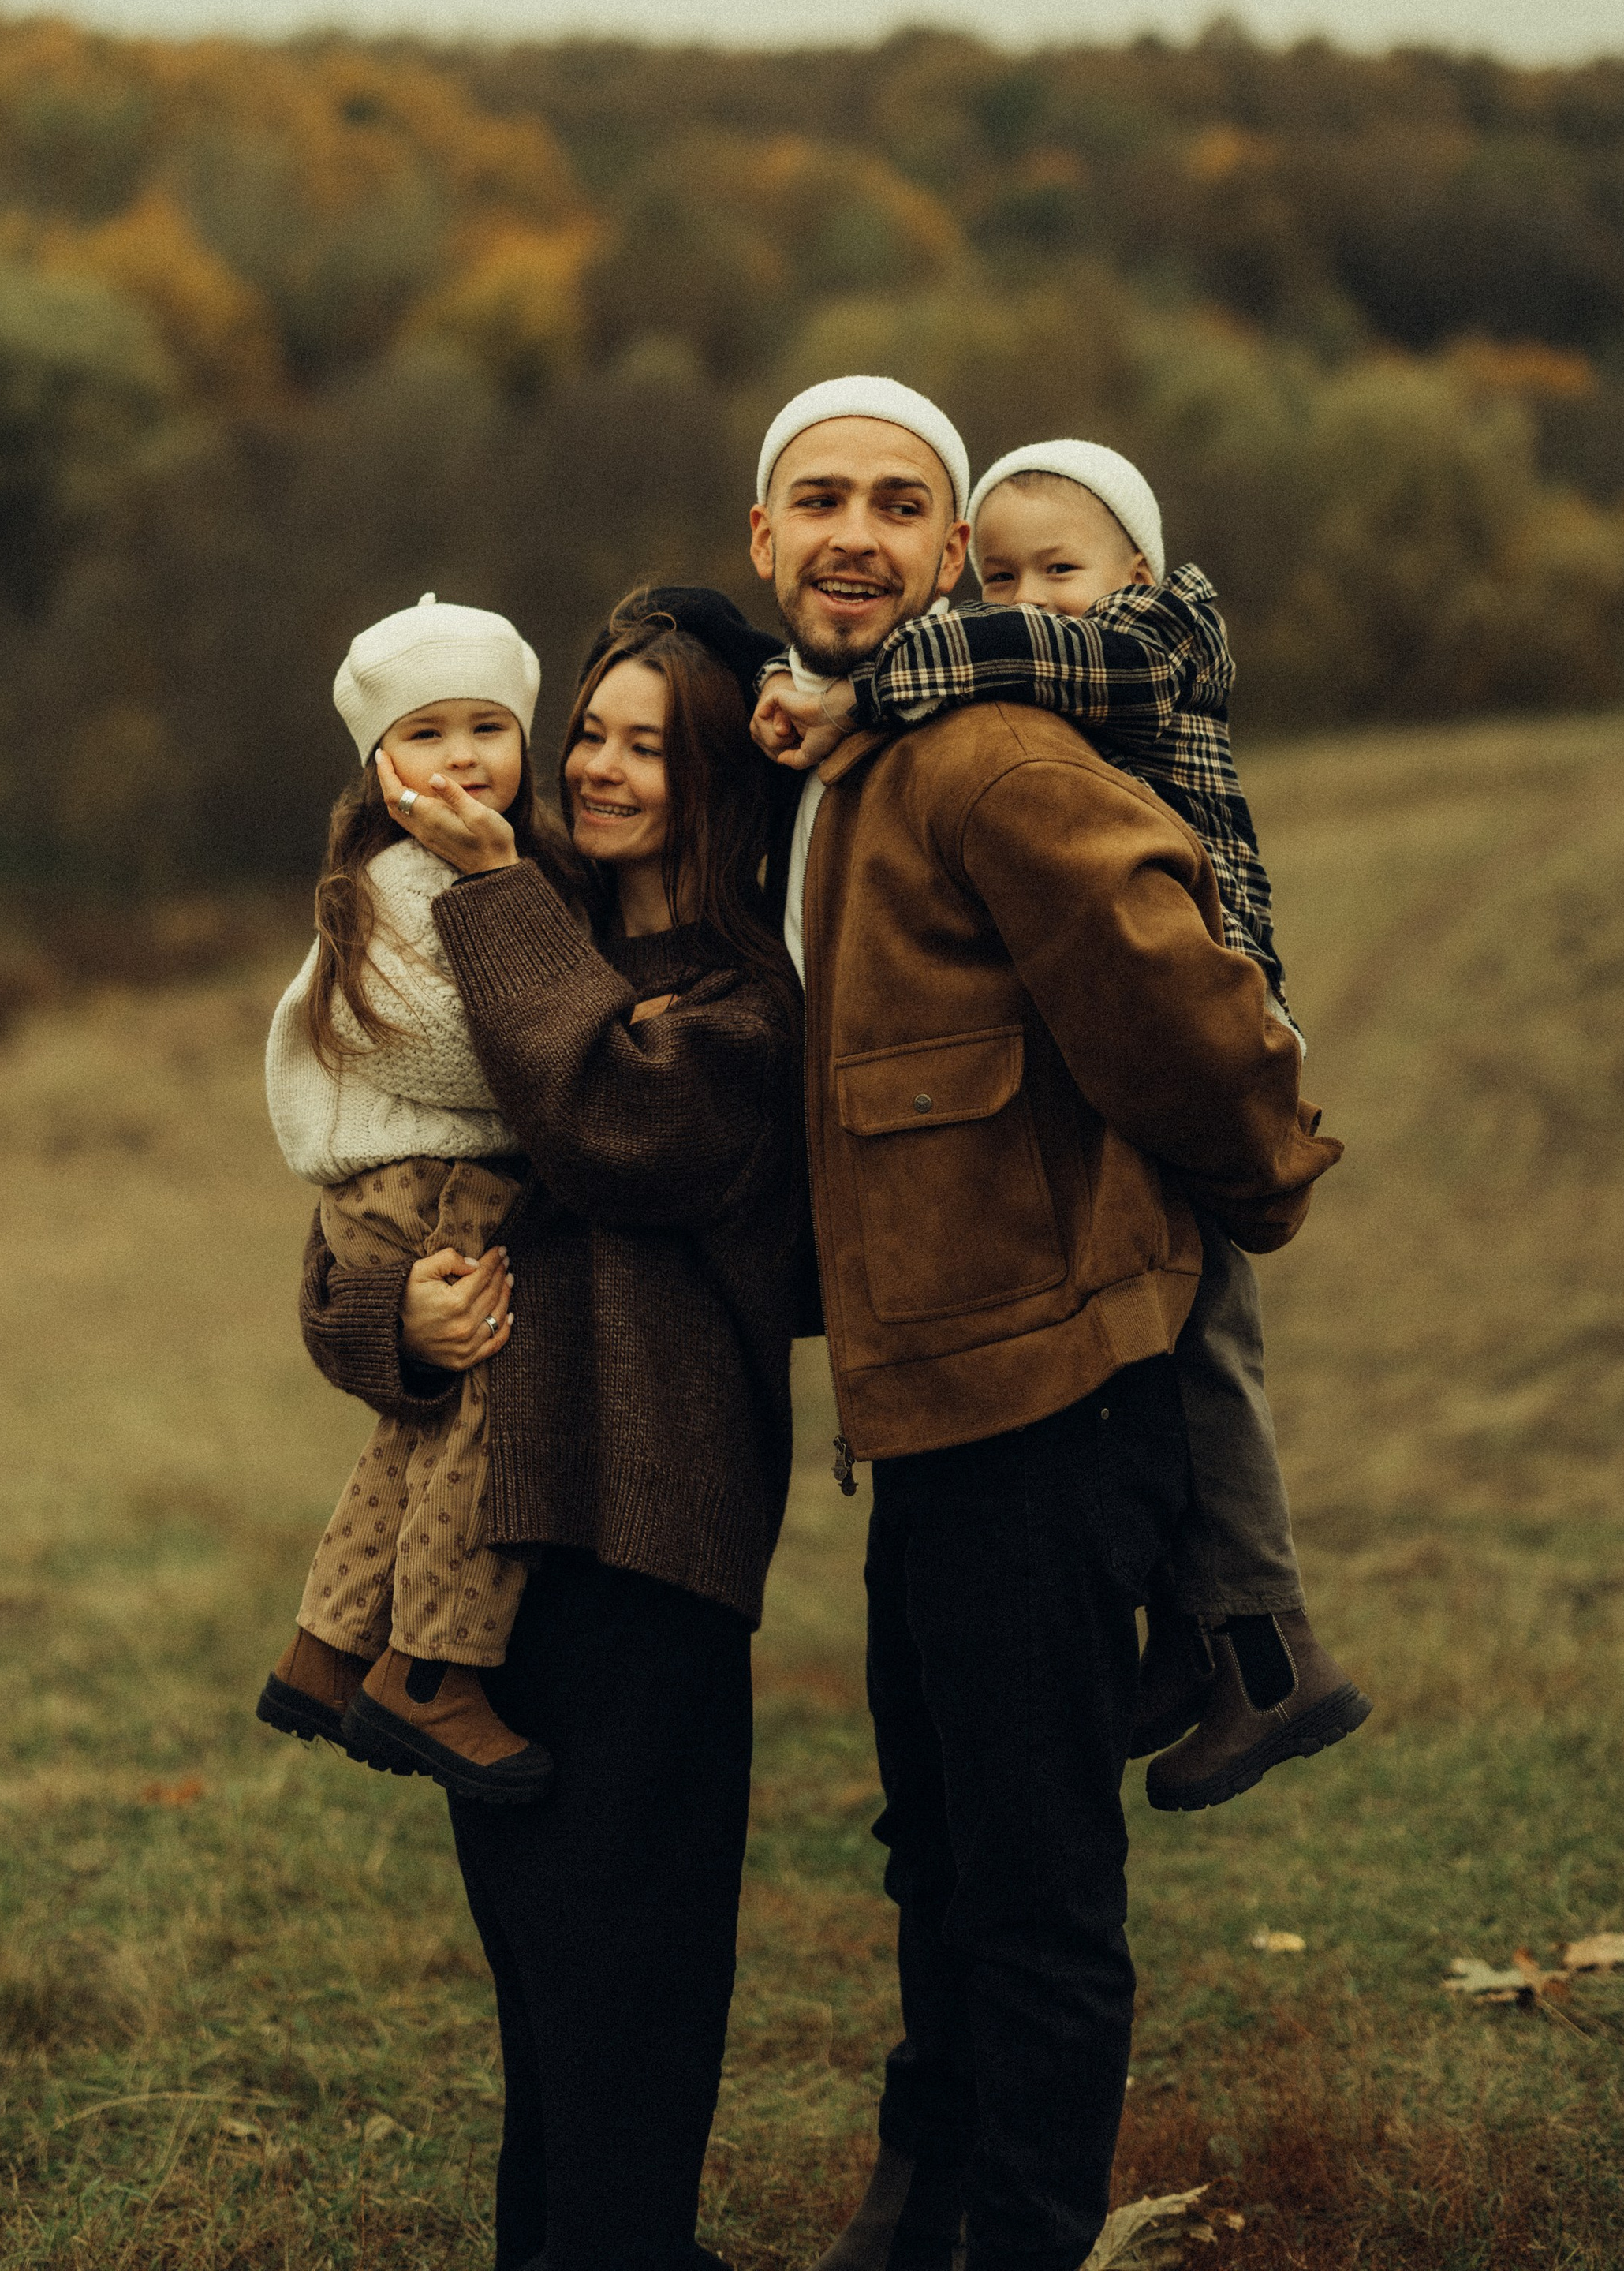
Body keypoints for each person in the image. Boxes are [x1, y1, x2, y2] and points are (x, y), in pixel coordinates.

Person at [745, 377, 1343, 2271]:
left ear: (946, 557)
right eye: (817, 498)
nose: (853, 532)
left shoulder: (990, 758)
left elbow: (1189, 1010)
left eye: (894, 504)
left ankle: (1013, 2237)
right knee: (937, 1846)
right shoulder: (835, 765)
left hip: (1048, 1408)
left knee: (1032, 1884)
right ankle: (916, 2197)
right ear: (763, 539)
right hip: (926, 1406)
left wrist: (1251, 1189)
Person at [291, 585, 804, 2271]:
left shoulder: (741, 1002)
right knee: (540, 1965)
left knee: (636, 1971)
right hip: (493, 1547)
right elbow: (355, 1224)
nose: (598, 767)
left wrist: (497, 892)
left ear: (718, 780)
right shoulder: (487, 937)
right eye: (587, 729)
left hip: (651, 1535)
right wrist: (393, 1325)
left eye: (650, 746)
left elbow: (606, 1123)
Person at [752, 437, 1368, 1815]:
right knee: (1185, 1342)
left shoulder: (1154, 642)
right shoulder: (1005, 695)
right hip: (1154, 1045)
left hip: (1229, 994)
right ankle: (1202, 1637)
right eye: (1006, 576)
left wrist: (864, 688)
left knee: (1206, 1345)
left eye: (1060, 573)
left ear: (1138, 572)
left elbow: (1034, 665)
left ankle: (1268, 1647)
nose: (1031, 604)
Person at [256, 593, 554, 1801]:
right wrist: (592, 1013)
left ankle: (329, 1647)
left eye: (488, 727)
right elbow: (460, 1047)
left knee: (421, 1427)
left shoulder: (477, 863)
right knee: (492, 1412)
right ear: (382, 767)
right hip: (422, 1186)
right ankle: (433, 1667)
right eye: (427, 734)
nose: (462, 756)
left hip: (420, 1181)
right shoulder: (402, 880)